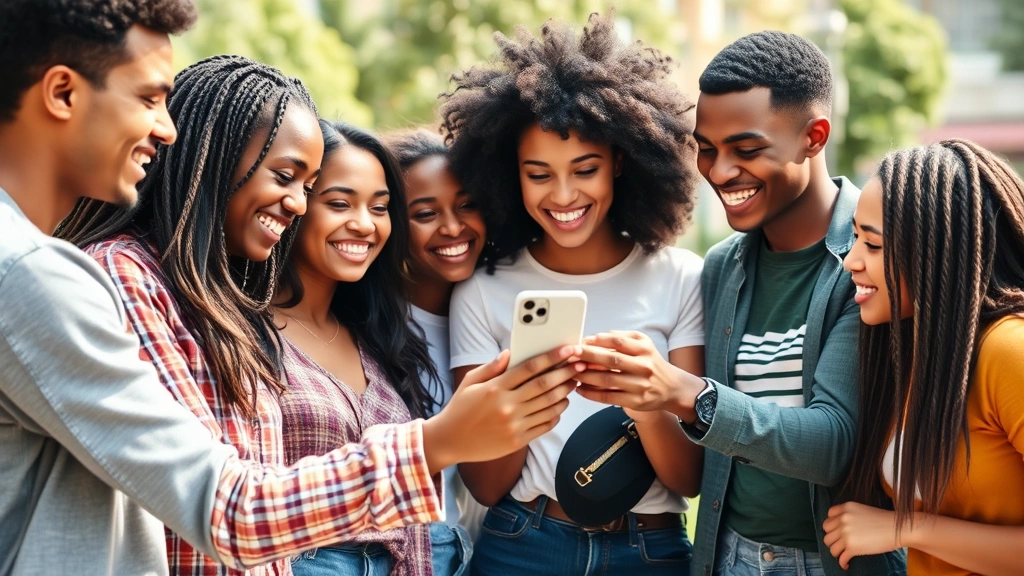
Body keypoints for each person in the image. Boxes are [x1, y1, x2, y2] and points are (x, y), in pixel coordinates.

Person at [0, 14, 568, 571]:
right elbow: (231, 510)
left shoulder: (221, 300)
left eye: (308, 185)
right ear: (62, 92)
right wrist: (435, 442)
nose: (166, 128)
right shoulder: (100, 275)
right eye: (149, 99)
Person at [572, 31, 904, 576]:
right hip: (728, 555)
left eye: (746, 151)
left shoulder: (871, 260)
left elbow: (834, 445)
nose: (720, 172)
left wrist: (685, 393)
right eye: (706, 149)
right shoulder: (722, 266)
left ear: (814, 137)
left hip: (832, 561)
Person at [440, 13, 705, 575]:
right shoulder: (483, 292)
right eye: (539, 174)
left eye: (585, 169)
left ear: (620, 162)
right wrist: (522, 395)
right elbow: (486, 486)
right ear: (509, 174)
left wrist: (648, 402)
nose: (563, 196)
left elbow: (689, 477)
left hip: (650, 550)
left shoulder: (681, 278)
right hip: (523, 544)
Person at [823, 139, 1024, 576]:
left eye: (873, 245)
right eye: (855, 238)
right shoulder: (914, 352)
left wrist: (906, 528)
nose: (850, 261)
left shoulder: (1009, 351)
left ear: (938, 251)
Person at [271, 121, 458, 576]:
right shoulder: (243, 331)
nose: (364, 224)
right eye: (339, 203)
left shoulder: (380, 335)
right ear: (296, 203)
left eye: (380, 207)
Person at [384, 127, 491, 570]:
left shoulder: (501, 315)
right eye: (426, 213)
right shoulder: (372, 330)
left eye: (466, 205)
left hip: (485, 554)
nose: (452, 227)